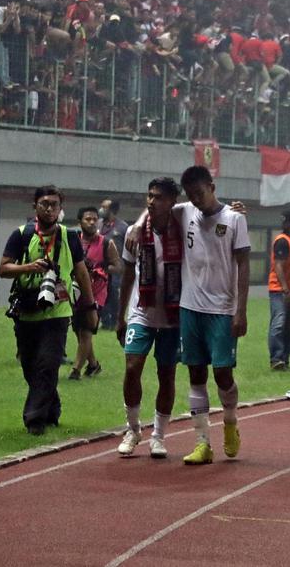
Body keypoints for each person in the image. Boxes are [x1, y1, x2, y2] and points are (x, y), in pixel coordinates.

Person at [128, 166, 250, 464]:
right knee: (195, 373)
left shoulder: (235, 218)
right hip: (189, 307)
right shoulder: (185, 212)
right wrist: (137, 225)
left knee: (222, 374)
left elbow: (244, 264)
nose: (196, 199)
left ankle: (230, 421)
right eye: (191, 195)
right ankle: (202, 443)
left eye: (200, 193)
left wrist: (241, 311)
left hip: (222, 309)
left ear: (212, 187)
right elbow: (154, 209)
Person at [0, 186, 98, 435]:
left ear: (61, 208)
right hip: (27, 310)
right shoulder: (21, 234)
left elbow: (81, 272)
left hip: (57, 312)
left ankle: (35, 419)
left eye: (54, 204)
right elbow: (4, 269)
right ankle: (52, 408)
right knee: (30, 366)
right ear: (35, 206)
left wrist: (90, 306)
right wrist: (30, 267)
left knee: (48, 364)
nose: (49, 209)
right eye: (44, 204)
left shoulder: (69, 236)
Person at [115, 178, 184, 458]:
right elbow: (127, 275)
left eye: (159, 197)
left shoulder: (183, 227)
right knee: (132, 367)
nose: (152, 202)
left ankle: (158, 435)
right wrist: (121, 316)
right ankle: (132, 429)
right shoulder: (134, 234)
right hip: (141, 311)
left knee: (166, 374)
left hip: (172, 315)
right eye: (149, 196)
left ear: (172, 202)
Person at [69, 206, 119, 380]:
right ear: (80, 222)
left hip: (97, 293)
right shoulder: (73, 240)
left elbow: (117, 266)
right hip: (76, 291)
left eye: (94, 219)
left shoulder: (106, 243)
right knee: (78, 329)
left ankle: (75, 370)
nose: (91, 222)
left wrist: (100, 270)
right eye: (87, 219)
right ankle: (93, 364)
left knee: (86, 330)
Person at [268, 209, 290, 371]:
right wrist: (285, 289)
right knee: (279, 323)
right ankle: (276, 358)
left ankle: (284, 359)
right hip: (280, 290)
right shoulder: (282, 241)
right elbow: (279, 265)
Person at [99, 198, 129, 328]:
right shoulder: (98, 224)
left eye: (104, 207)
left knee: (114, 294)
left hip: (117, 266)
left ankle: (116, 319)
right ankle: (105, 321)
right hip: (101, 266)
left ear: (111, 210)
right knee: (102, 292)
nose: (101, 210)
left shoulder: (122, 227)